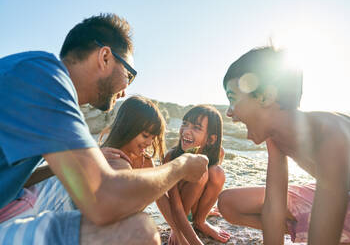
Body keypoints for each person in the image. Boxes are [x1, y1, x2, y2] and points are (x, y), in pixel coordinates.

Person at [0, 13, 208, 245]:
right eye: (129, 75)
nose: (125, 91)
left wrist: (90, 158)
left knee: (88, 180)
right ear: (105, 57)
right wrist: (180, 167)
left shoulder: (33, 74)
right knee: (136, 230)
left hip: (8, 205)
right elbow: (104, 200)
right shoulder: (43, 78)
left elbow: (17, 179)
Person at [217, 46, 350, 245]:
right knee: (229, 203)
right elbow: (274, 206)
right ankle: (317, 229)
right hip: (333, 192)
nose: (229, 113)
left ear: (265, 97)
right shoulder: (275, 138)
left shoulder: (331, 136)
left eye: (232, 99)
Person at [157, 105, 230, 244]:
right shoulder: (171, 157)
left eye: (196, 128)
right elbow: (175, 204)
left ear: (210, 139)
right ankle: (188, 224)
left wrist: (206, 208)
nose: (186, 131)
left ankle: (200, 222)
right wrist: (176, 230)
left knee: (217, 172)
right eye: (185, 124)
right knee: (200, 173)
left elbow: (212, 185)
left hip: (196, 210)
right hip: (177, 210)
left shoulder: (218, 153)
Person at [99, 95, 166, 171]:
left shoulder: (146, 162)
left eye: (153, 138)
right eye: (145, 135)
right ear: (127, 127)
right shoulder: (103, 156)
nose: (149, 143)